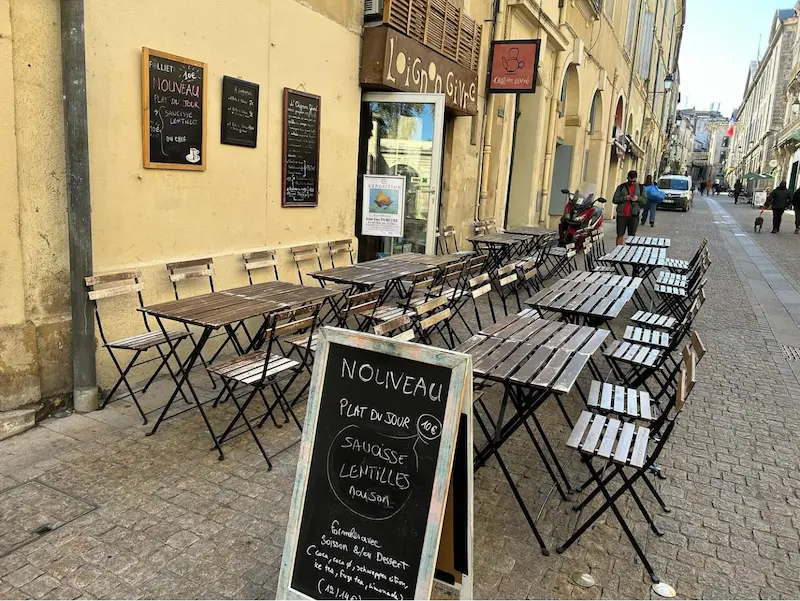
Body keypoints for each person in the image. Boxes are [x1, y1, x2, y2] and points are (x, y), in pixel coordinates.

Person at [612, 170, 647, 245]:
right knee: (620, 234)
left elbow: (645, 200)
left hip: (634, 215)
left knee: (632, 236)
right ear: (627, 178)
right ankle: (618, 252)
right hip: (622, 215)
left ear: (636, 179)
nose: (632, 183)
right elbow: (614, 200)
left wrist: (637, 198)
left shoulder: (641, 188)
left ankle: (630, 252)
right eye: (630, 181)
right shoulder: (621, 187)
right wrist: (624, 198)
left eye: (634, 181)